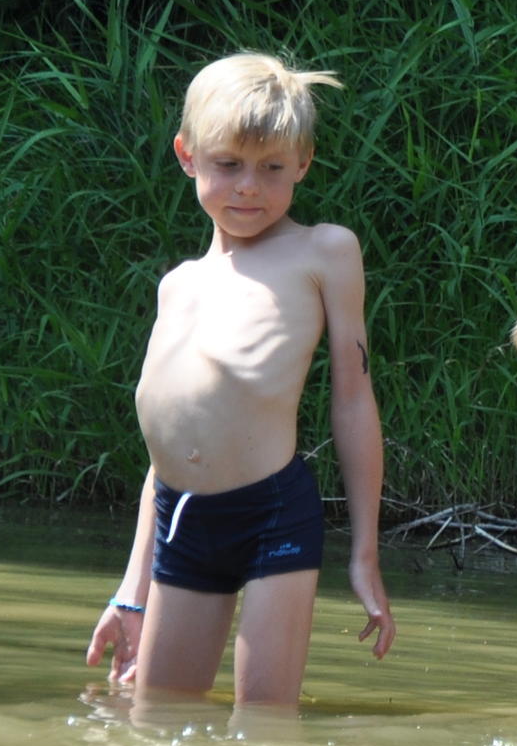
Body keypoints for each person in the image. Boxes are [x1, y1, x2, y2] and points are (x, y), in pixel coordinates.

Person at [90, 53, 396, 702]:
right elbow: (166, 453)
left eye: (272, 168)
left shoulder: (324, 251)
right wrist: (131, 593)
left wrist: (364, 553)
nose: (249, 187)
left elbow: (353, 398)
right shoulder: (178, 286)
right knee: (156, 724)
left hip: (270, 516)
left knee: (262, 730)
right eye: (229, 164)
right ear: (188, 155)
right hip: (183, 521)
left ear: (303, 163)